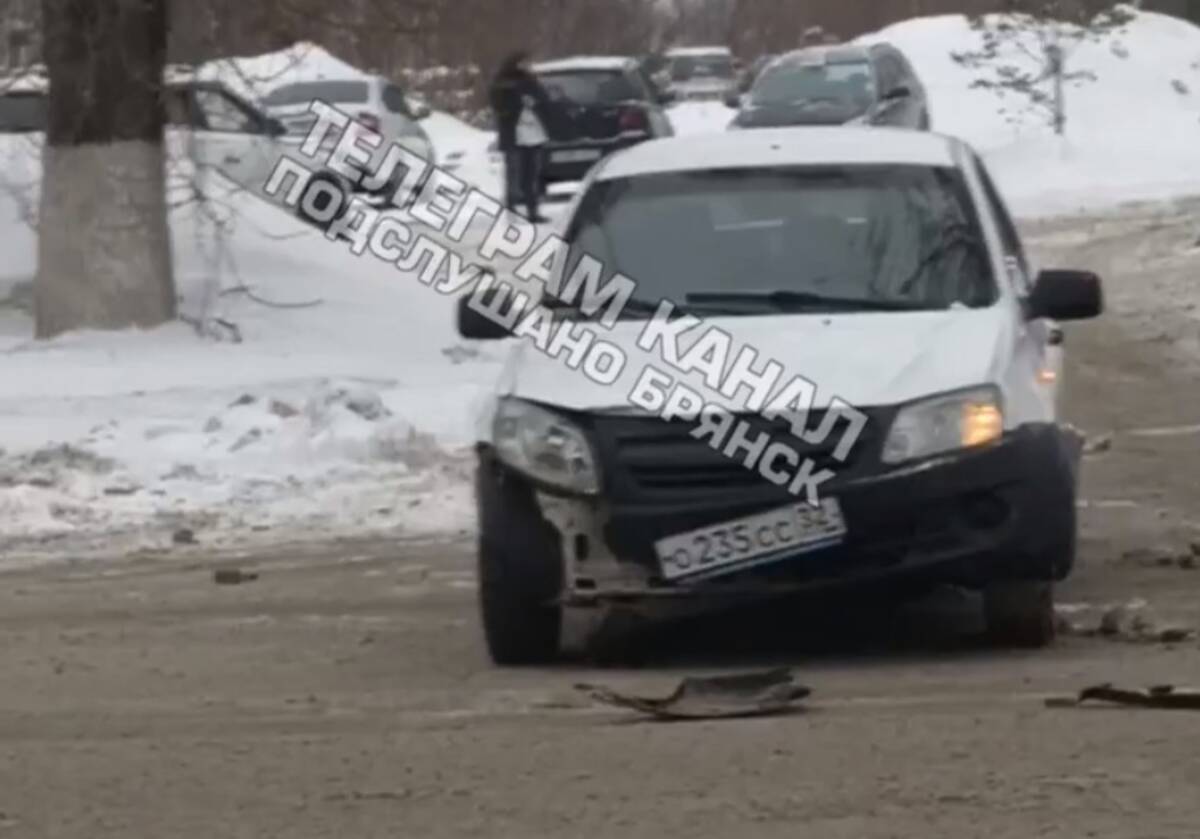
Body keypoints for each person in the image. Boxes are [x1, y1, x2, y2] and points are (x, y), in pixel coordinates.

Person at [489, 50, 553, 223]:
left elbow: (544, 99)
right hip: (513, 133)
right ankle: (512, 207)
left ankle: (532, 210)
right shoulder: (503, 82)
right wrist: (517, 103)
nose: (527, 65)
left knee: (531, 174)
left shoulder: (530, 81)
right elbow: (498, 105)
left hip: (533, 133)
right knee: (515, 174)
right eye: (524, 62)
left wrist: (536, 102)